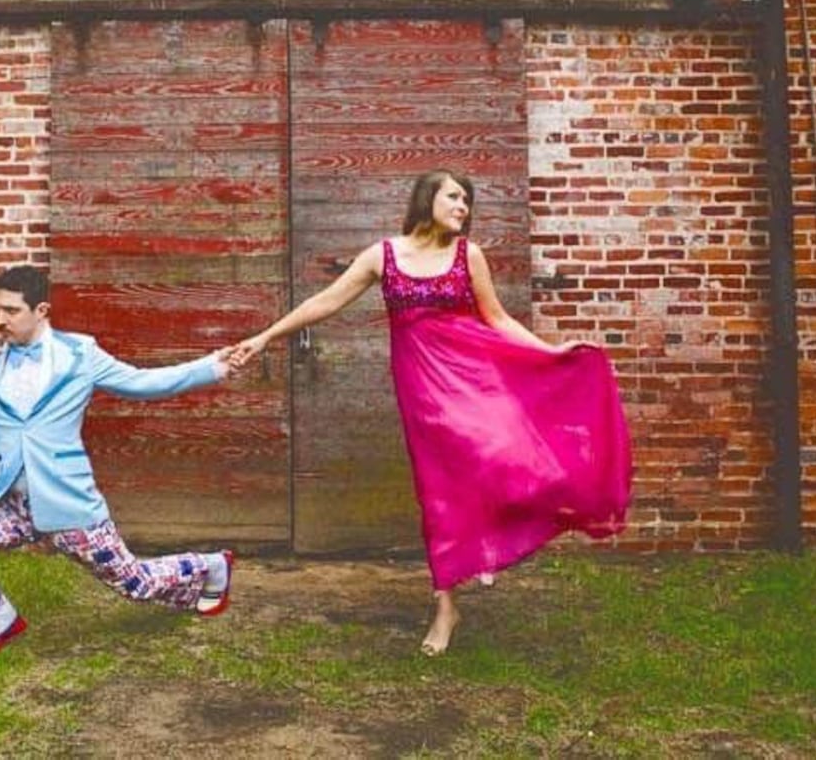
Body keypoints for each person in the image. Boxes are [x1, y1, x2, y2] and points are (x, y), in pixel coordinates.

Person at [228, 170, 631, 656]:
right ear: (428, 198)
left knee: (508, 454)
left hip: (478, 380)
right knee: (439, 492)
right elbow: (327, 300)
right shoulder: (384, 256)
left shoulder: (468, 256)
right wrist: (266, 336)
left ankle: (487, 540)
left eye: (468, 200)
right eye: (455, 197)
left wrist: (552, 350)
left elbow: (497, 318)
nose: (464, 206)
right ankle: (446, 605)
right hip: (422, 390)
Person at [0, 264, 237, 660]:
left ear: (41, 311)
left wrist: (212, 368)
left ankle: (212, 565)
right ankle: (1, 616)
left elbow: (143, 383)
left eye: (10, 311)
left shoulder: (80, 355)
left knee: (135, 583)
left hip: (66, 503)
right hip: (11, 505)